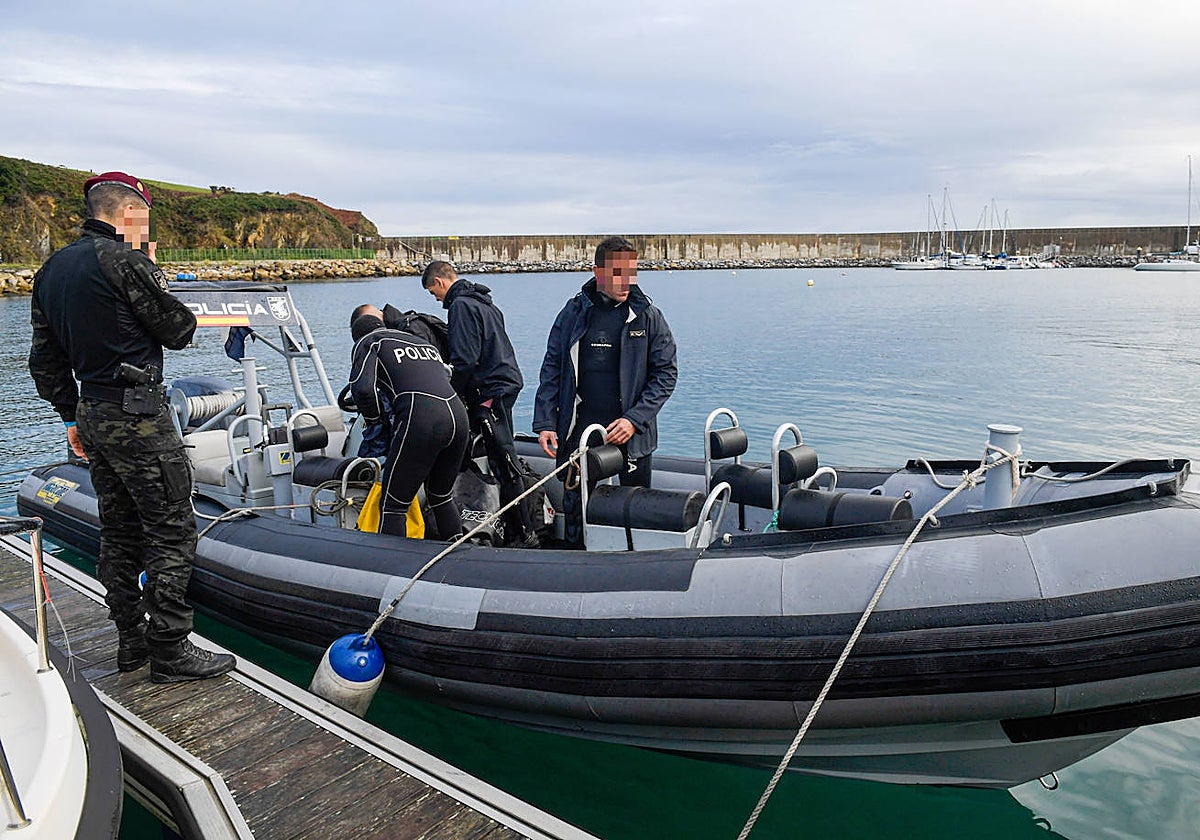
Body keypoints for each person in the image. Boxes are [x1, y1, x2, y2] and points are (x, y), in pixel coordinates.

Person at [28, 171, 235, 683]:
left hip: (94, 413)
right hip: (139, 414)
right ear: (127, 212)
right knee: (172, 528)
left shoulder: (51, 270)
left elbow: (44, 361)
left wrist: (71, 412)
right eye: (144, 216)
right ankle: (169, 647)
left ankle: (130, 643)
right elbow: (178, 330)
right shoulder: (125, 261)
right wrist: (152, 267)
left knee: (118, 531)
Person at [533, 236, 678, 546]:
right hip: (580, 430)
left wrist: (634, 419)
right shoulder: (573, 313)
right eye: (617, 273)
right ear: (598, 273)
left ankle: (632, 559)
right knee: (574, 502)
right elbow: (552, 368)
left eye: (631, 272)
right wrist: (545, 422)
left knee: (634, 504)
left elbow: (666, 374)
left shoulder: (648, 316)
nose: (626, 281)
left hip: (631, 432)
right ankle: (576, 554)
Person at [421, 260, 537, 546]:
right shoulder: (485, 303)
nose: (436, 300)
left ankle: (525, 532)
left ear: (439, 282)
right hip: (505, 383)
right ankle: (513, 525)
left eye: (432, 292)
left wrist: (450, 392)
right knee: (497, 456)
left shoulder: (461, 306)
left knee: (504, 460)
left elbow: (466, 359)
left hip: (490, 391)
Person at [347, 312, 469, 539]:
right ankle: (460, 553)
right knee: (441, 496)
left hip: (422, 416)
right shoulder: (421, 342)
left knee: (393, 505)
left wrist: (374, 421)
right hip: (458, 417)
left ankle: (393, 568)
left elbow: (361, 389)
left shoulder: (369, 342)